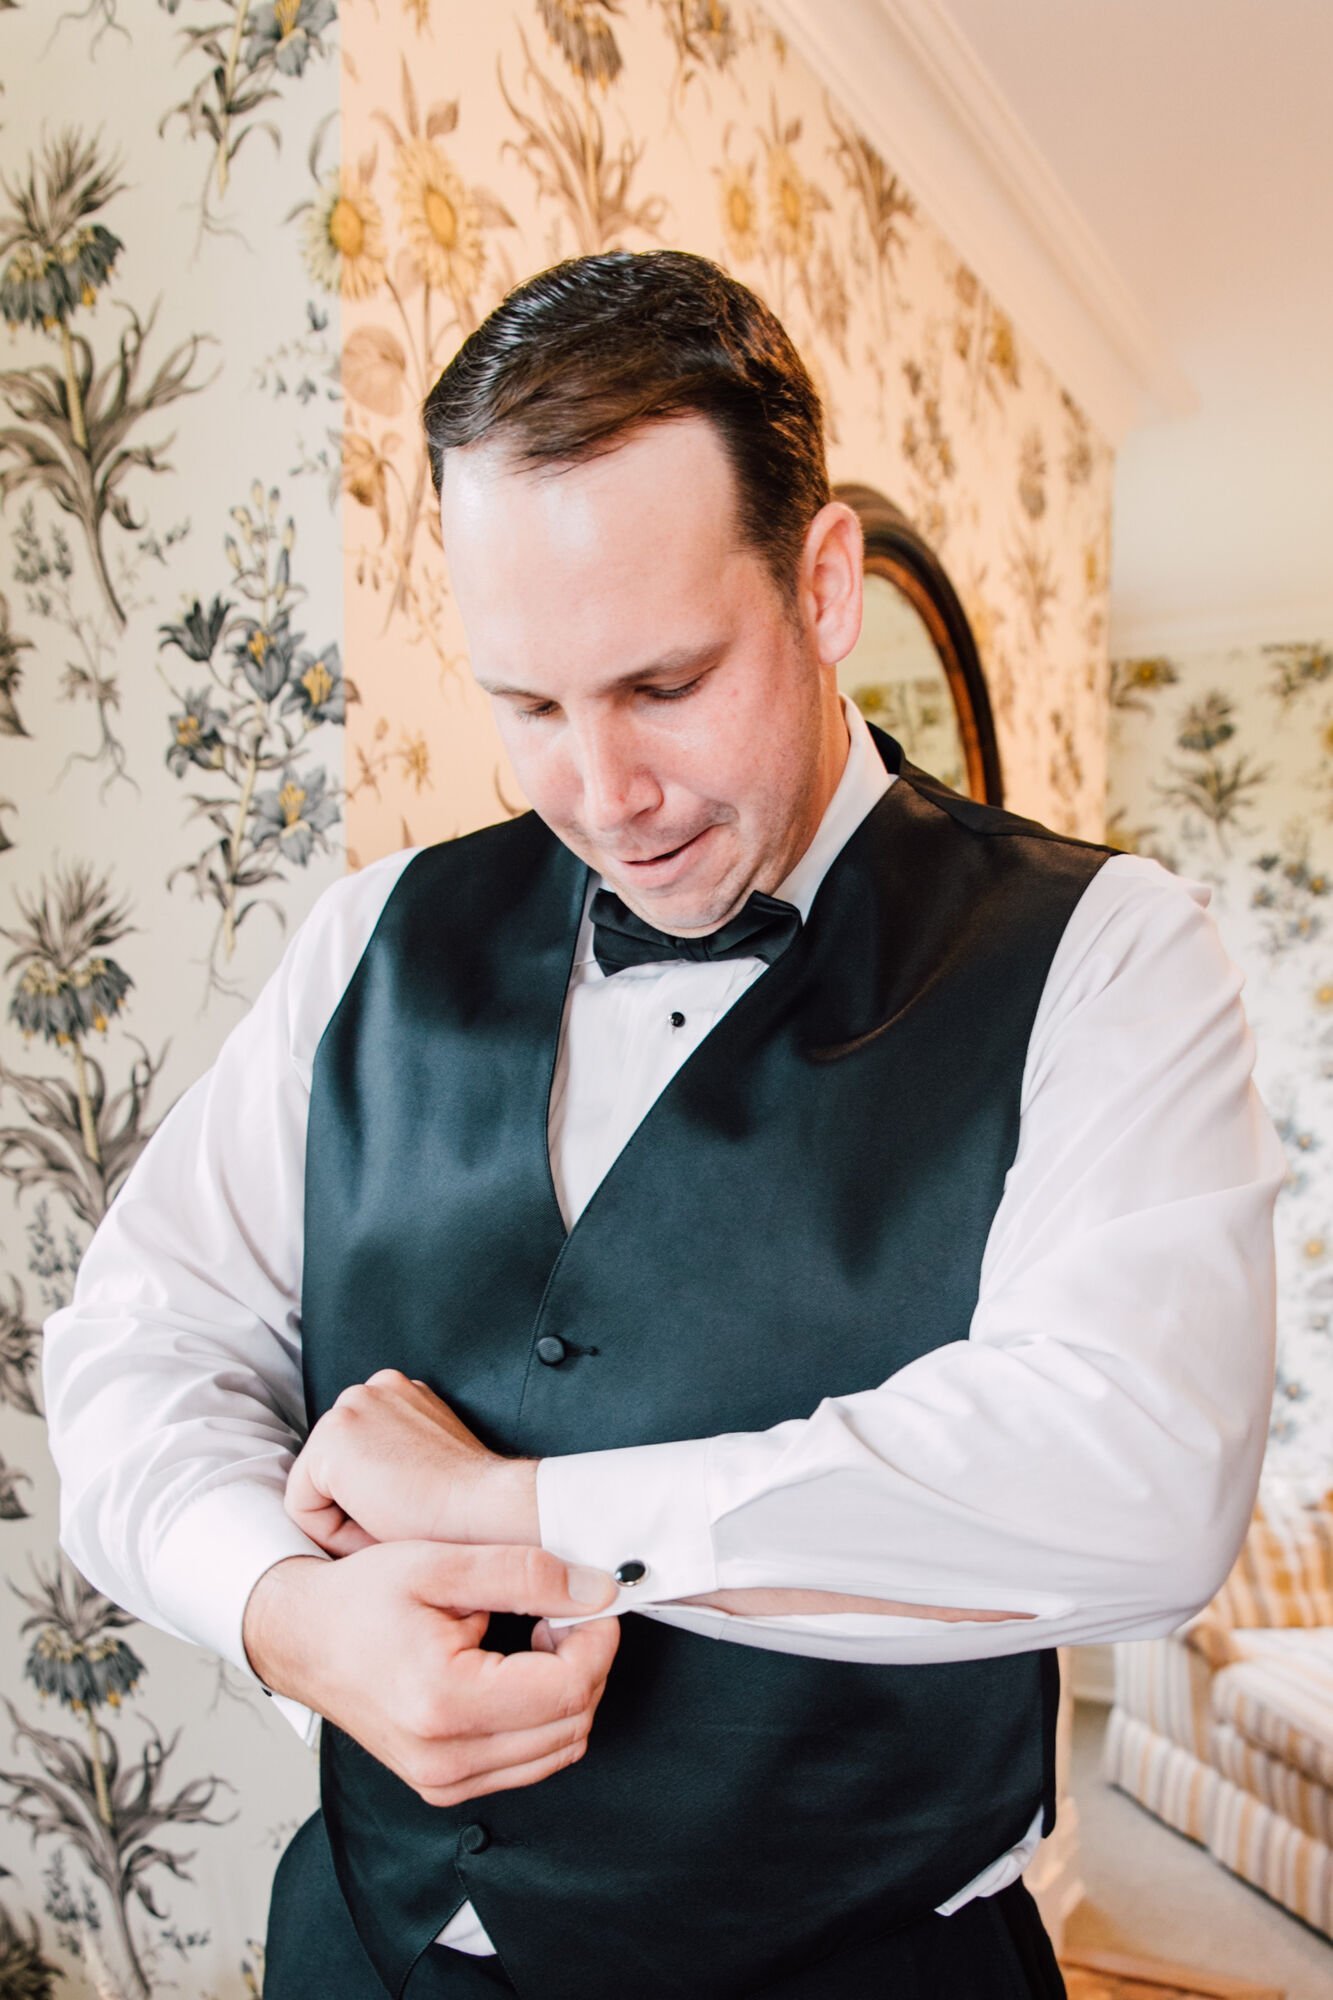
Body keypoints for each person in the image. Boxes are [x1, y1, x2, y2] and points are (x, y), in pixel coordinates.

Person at [43, 250, 1285, 2000]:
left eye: (664, 686)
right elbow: (137, 1342)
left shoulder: (1103, 953)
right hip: (354, 1952)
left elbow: (1135, 1480)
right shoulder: (367, 937)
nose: (601, 798)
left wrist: (527, 1508)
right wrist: (279, 1609)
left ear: (825, 582)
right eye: (528, 708)